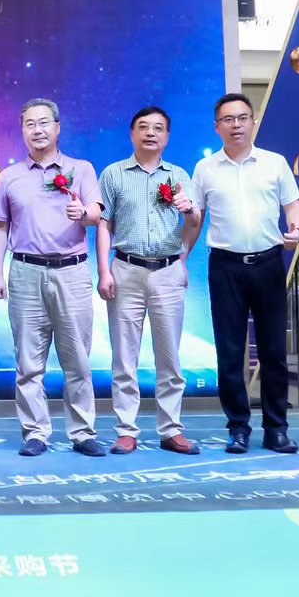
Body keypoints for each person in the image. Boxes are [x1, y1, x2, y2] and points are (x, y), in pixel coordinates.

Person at [0, 97, 104, 458]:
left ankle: (82, 432)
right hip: (25, 271)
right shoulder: (10, 176)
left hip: (71, 271)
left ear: (57, 127)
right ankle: (35, 432)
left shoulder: (80, 169)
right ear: (22, 130)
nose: (37, 130)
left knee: (77, 359)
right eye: (30, 124)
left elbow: (96, 213)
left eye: (43, 123)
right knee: (28, 361)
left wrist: (82, 212)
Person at [191, 92, 299, 455]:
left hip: (268, 264)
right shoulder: (205, 169)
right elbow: (195, 218)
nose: (236, 125)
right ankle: (238, 428)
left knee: (273, 351)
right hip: (225, 267)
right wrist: (181, 256)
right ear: (217, 127)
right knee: (229, 352)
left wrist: (296, 229)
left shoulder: (274, 163)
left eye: (242, 118)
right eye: (228, 119)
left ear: (253, 122)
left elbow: (294, 206)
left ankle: (276, 429)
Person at [96, 106, 203, 456]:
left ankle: (171, 429)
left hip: (168, 272)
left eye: (158, 128)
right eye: (143, 127)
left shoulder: (179, 176)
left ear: (167, 136)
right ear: (132, 134)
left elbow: (194, 222)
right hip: (125, 270)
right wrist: (103, 270)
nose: (150, 133)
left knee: (169, 356)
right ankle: (126, 431)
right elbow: (103, 225)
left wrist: (188, 217)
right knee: (124, 357)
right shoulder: (113, 173)